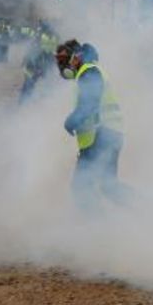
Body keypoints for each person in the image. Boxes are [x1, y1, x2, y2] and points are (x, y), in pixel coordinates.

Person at [56, 40, 126, 207]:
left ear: (77, 57)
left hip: (102, 135)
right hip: (109, 134)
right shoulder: (88, 72)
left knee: (81, 187)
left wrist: (71, 122)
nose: (63, 65)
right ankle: (149, 210)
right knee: (110, 187)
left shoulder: (88, 72)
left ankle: (97, 227)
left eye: (65, 59)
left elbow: (89, 104)